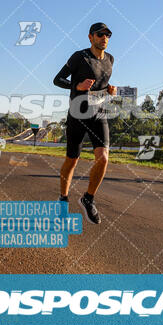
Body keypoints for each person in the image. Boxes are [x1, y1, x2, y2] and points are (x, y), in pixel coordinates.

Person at [53, 22, 117, 225]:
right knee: (72, 160)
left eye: (107, 35)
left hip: (98, 113)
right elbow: (57, 79)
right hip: (77, 113)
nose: (104, 38)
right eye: (100, 34)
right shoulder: (79, 56)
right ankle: (63, 199)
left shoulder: (110, 60)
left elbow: (101, 84)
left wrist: (109, 90)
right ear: (91, 37)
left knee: (103, 158)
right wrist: (77, 85)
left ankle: (88, 198)